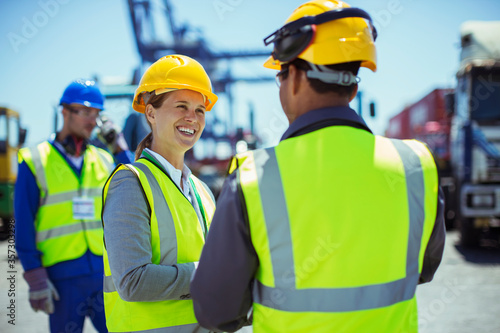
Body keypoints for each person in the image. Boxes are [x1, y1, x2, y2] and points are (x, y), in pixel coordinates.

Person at [190, 1, 446, 332]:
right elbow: (423, 269)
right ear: (353, 88)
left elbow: (216, 311)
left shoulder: (254, 176)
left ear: (293, 78)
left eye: (280, 75)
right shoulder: (416, 164)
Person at [101, 54, 218, 333]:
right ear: (151, 113)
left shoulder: (203, 192)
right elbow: (133, 281)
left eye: (200, 110)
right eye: (181, 106)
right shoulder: (130, 183)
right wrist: (212, 274)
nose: (192, 117)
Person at [15, 79, 133, 333]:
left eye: (97, 114)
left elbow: (137, 187)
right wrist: (34, 276)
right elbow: (22, 224)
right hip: (61, 278)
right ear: (64, 111)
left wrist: (120, 149)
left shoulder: (103, 159)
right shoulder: (35, 160)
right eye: (86, 112)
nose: (93, 120)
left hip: (104, 276)